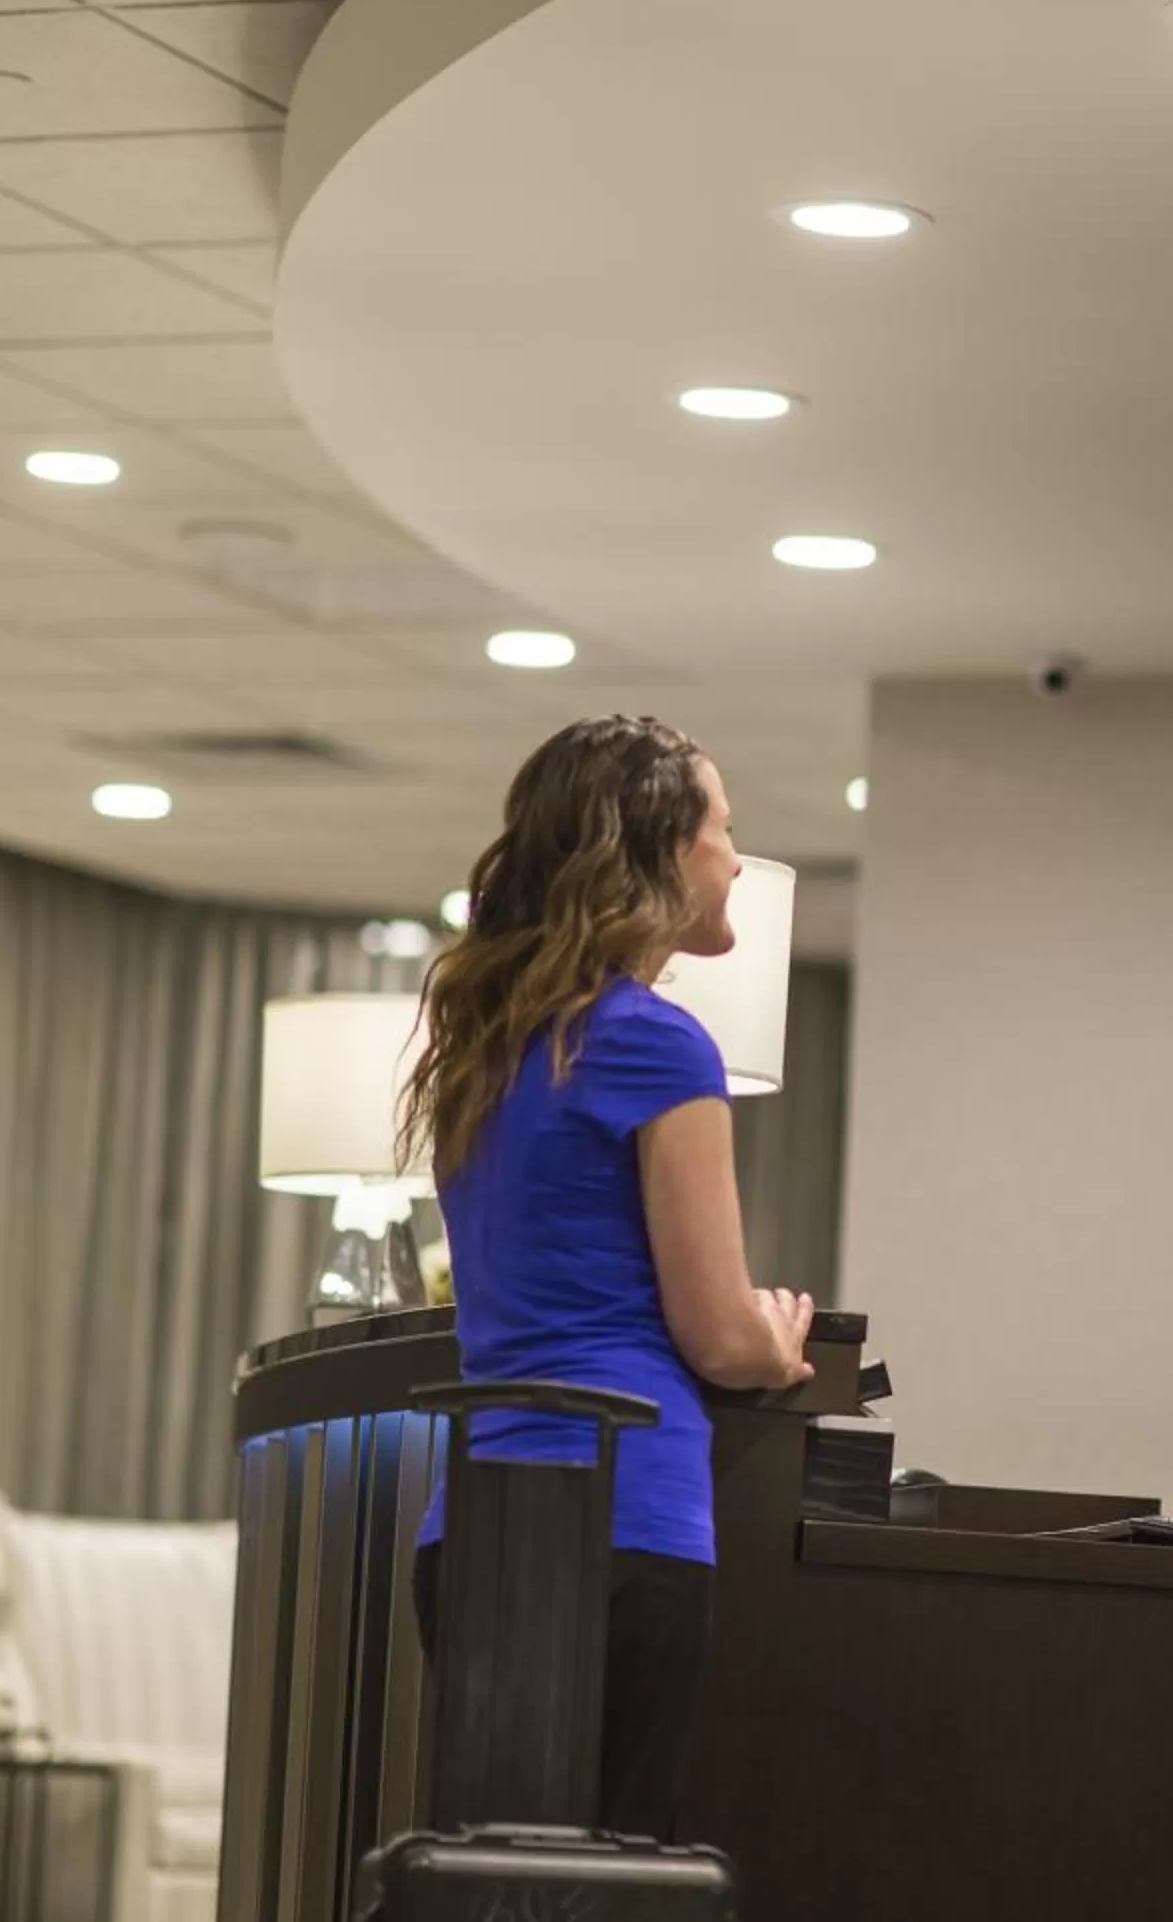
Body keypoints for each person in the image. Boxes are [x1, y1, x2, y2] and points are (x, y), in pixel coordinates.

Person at [400, 714, 816, 1838]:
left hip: (476, 1518)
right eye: (725, 829)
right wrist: (777, 1341)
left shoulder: (485, 1042)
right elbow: (719, 1332)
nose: (735, 858)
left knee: (489, 1875)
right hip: (625, 1514)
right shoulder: (656, 1041)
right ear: (665, 848)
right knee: (608, 1870)